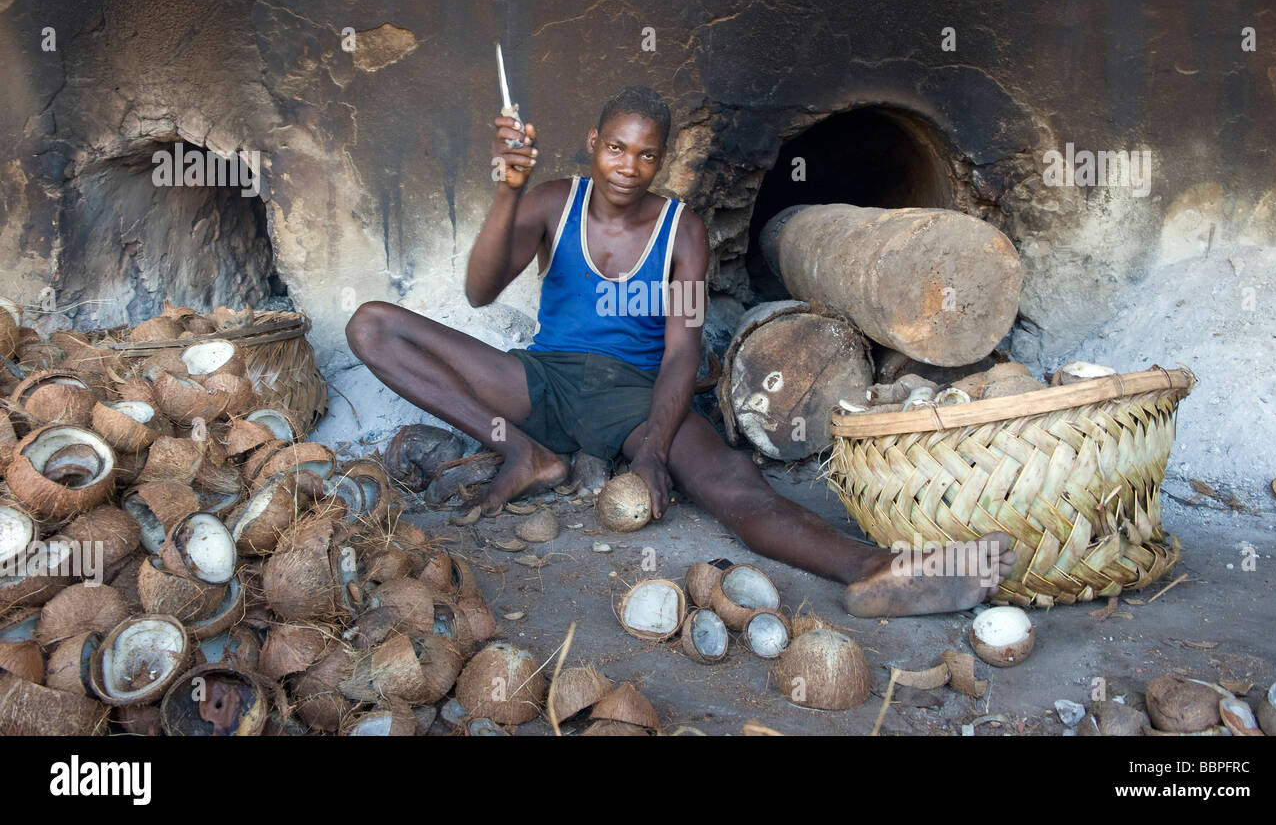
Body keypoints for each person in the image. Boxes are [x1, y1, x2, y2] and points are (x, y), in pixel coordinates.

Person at [345, 86, 1012, 616]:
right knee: (372, 325)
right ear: (593, 144)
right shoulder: (553, 203)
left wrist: (653, 447)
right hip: (539, 382)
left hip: (635, 396)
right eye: (615, 148)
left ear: (660, 159)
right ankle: (526, 451)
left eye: (644, 155)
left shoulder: (682, 232)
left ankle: (879, 570)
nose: (627, 167)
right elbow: (481, 289)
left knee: (729, 481)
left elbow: (680, 353)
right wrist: (508, 192)